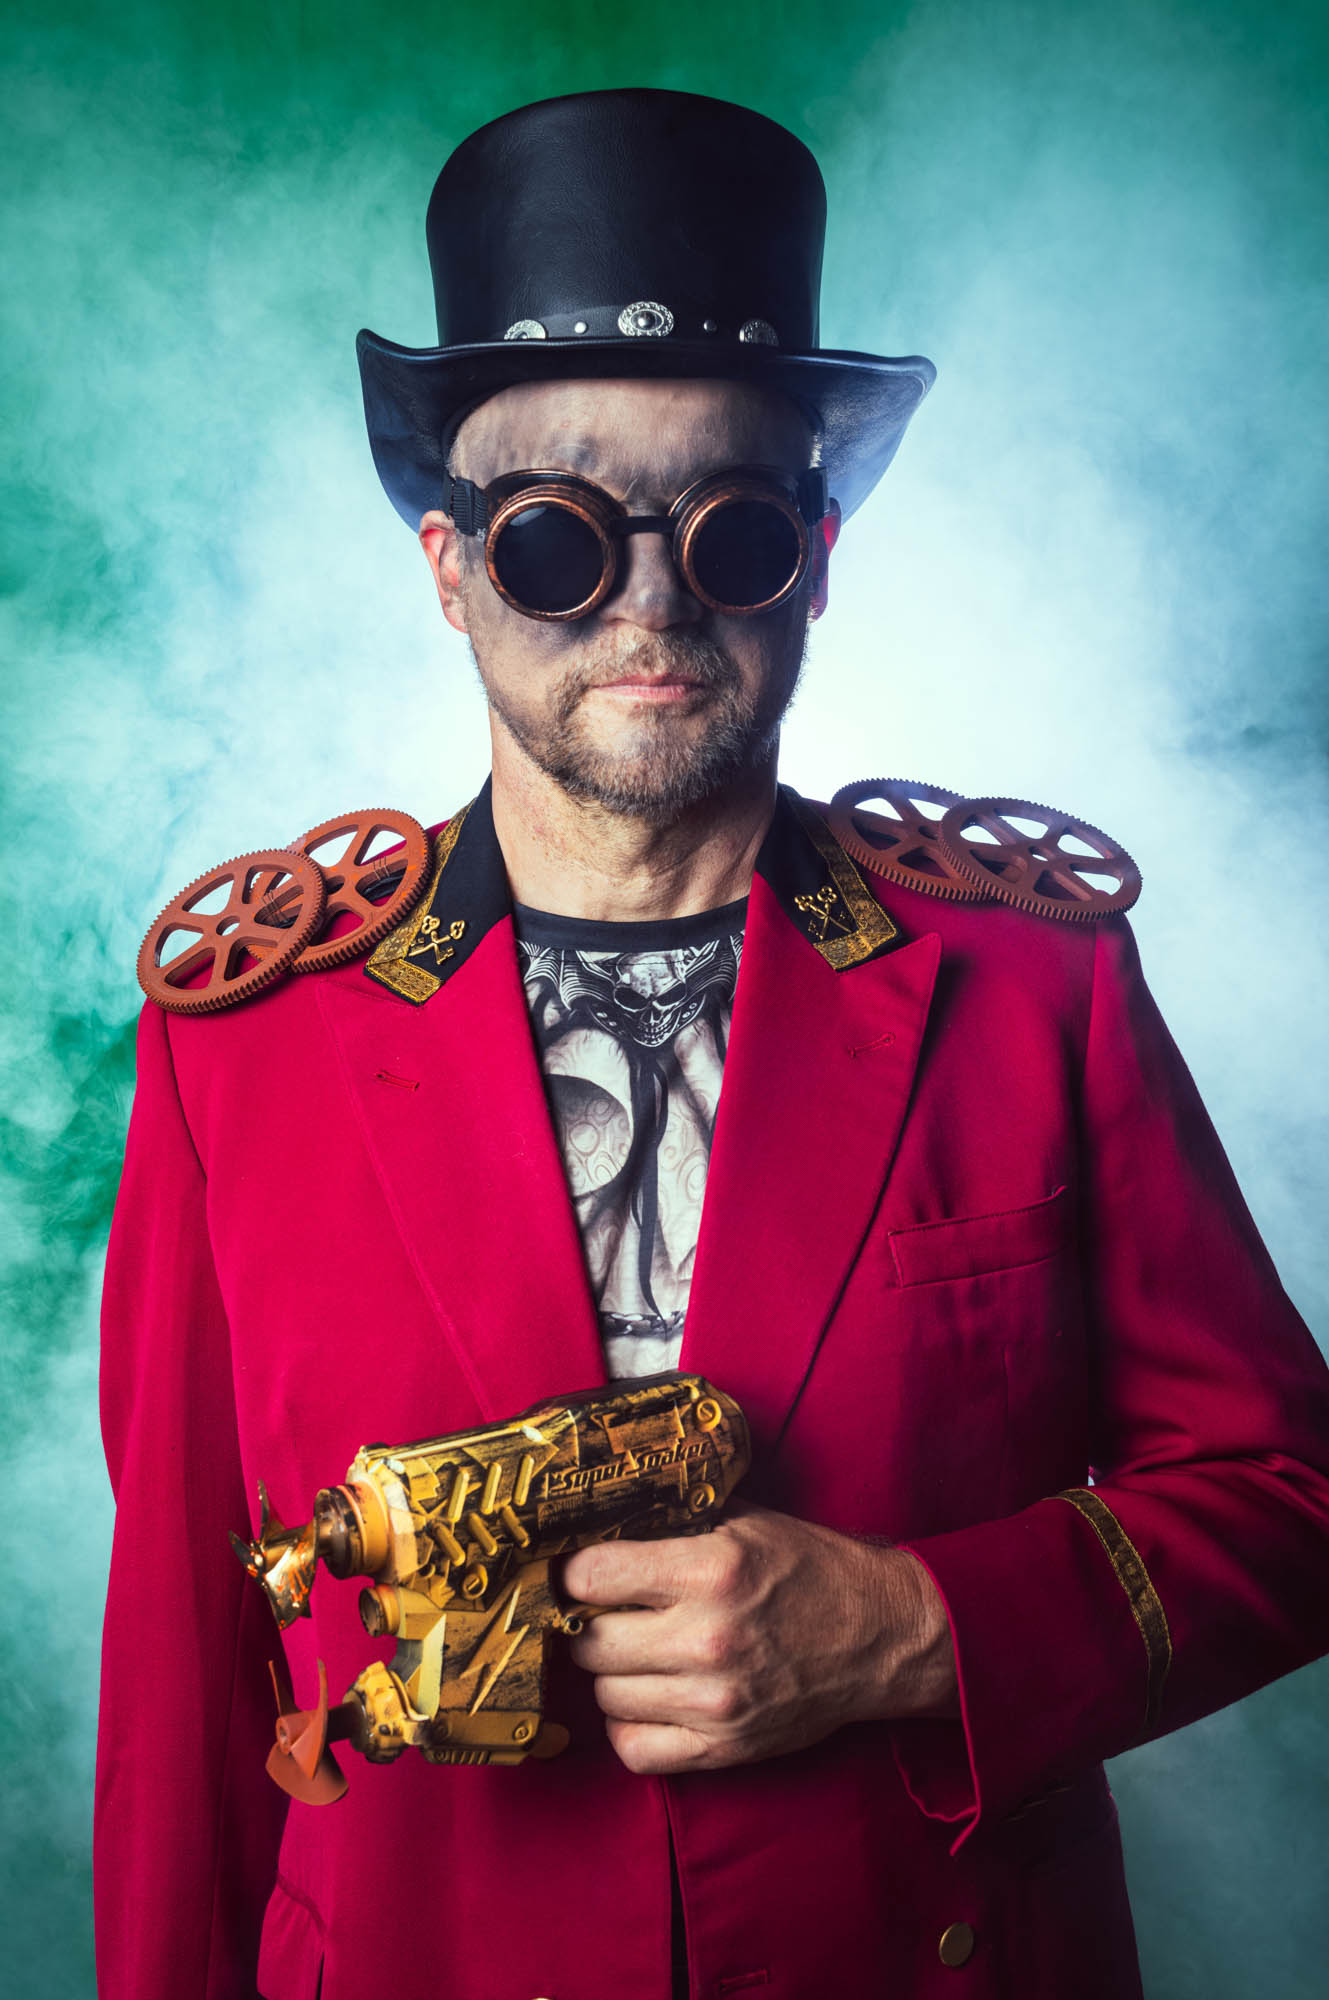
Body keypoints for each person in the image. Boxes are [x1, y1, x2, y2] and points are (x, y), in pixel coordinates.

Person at [95, 89, 1329, 2000]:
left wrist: (922, 1625)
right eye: (556, 541)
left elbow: (1290, 1497)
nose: (654, 604)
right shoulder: (246, 1044)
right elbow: (188, 1679)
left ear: (817, 562)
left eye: (734, 530)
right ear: (446, 568)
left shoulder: (1032, 985)